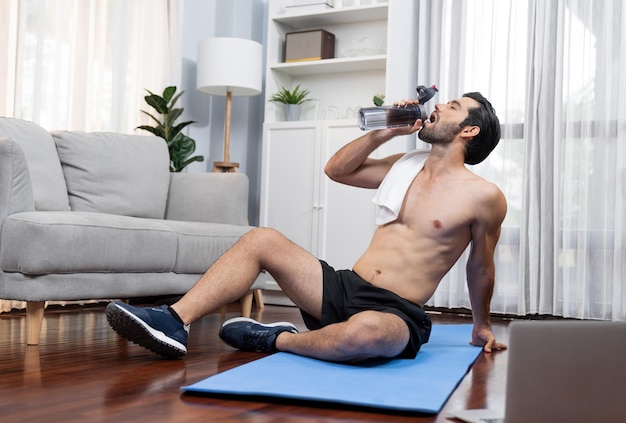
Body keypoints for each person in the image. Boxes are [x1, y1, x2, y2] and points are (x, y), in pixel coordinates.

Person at [106, 92, 508, 362]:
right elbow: (336, 170)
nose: (438, 108)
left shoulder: (483, 196)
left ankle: (275, 338)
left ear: (468, 130)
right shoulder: (403, 165)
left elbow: (480, 266)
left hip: (395, 311)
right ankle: (174, 321)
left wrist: (481, 326)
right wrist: (382, 132)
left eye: (452, 107)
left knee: (365, 334)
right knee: (262, 239)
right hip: (345, 287)